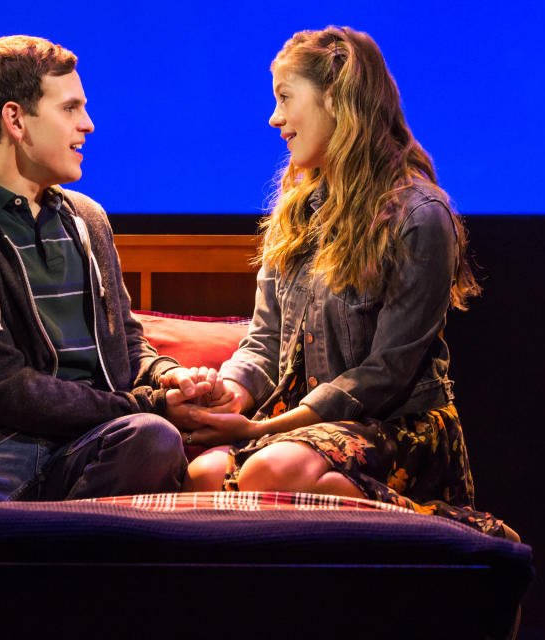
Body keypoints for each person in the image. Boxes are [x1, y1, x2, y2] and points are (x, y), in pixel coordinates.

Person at [0, 35, 216, 639]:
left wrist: (163, 377)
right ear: (16, 121)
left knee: (154, 439)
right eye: (69, 108)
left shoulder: (88, 220)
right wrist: (143, 402)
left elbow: (126, 341)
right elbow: (5, 390)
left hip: (93, 441)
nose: (88, 123)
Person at [180, 26, 516, 540]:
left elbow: (386, 374)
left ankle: (432, 520)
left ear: (334, 99)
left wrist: (263, 430)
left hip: (394, 426)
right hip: (304, 429)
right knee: (203, 472)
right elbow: (264, 340)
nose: (275, 118)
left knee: (272, 470)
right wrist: (227, 393)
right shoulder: (295, 214)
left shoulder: (420, 215)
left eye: (285, 98)